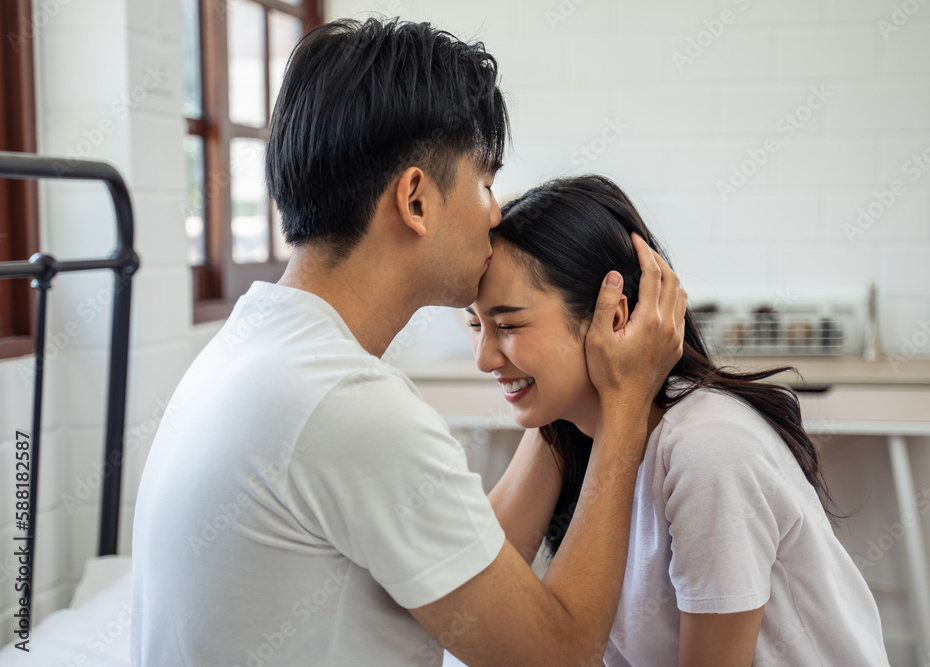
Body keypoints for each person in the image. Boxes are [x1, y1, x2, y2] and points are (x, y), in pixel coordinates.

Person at [130, 18, 687, 667]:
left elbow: (469, 567)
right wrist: (623, 405)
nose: (495, 212)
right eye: (483, 183)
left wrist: (564, 388)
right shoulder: (347, 404)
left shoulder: (256, 348)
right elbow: (558, 653)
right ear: (417, 199)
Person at [468, 175, 892, 666]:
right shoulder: (580, 431)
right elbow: (481, 587)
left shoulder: (708, 449)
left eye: (509, 324)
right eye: (475, 325)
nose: (483, 358)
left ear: (616, 315)